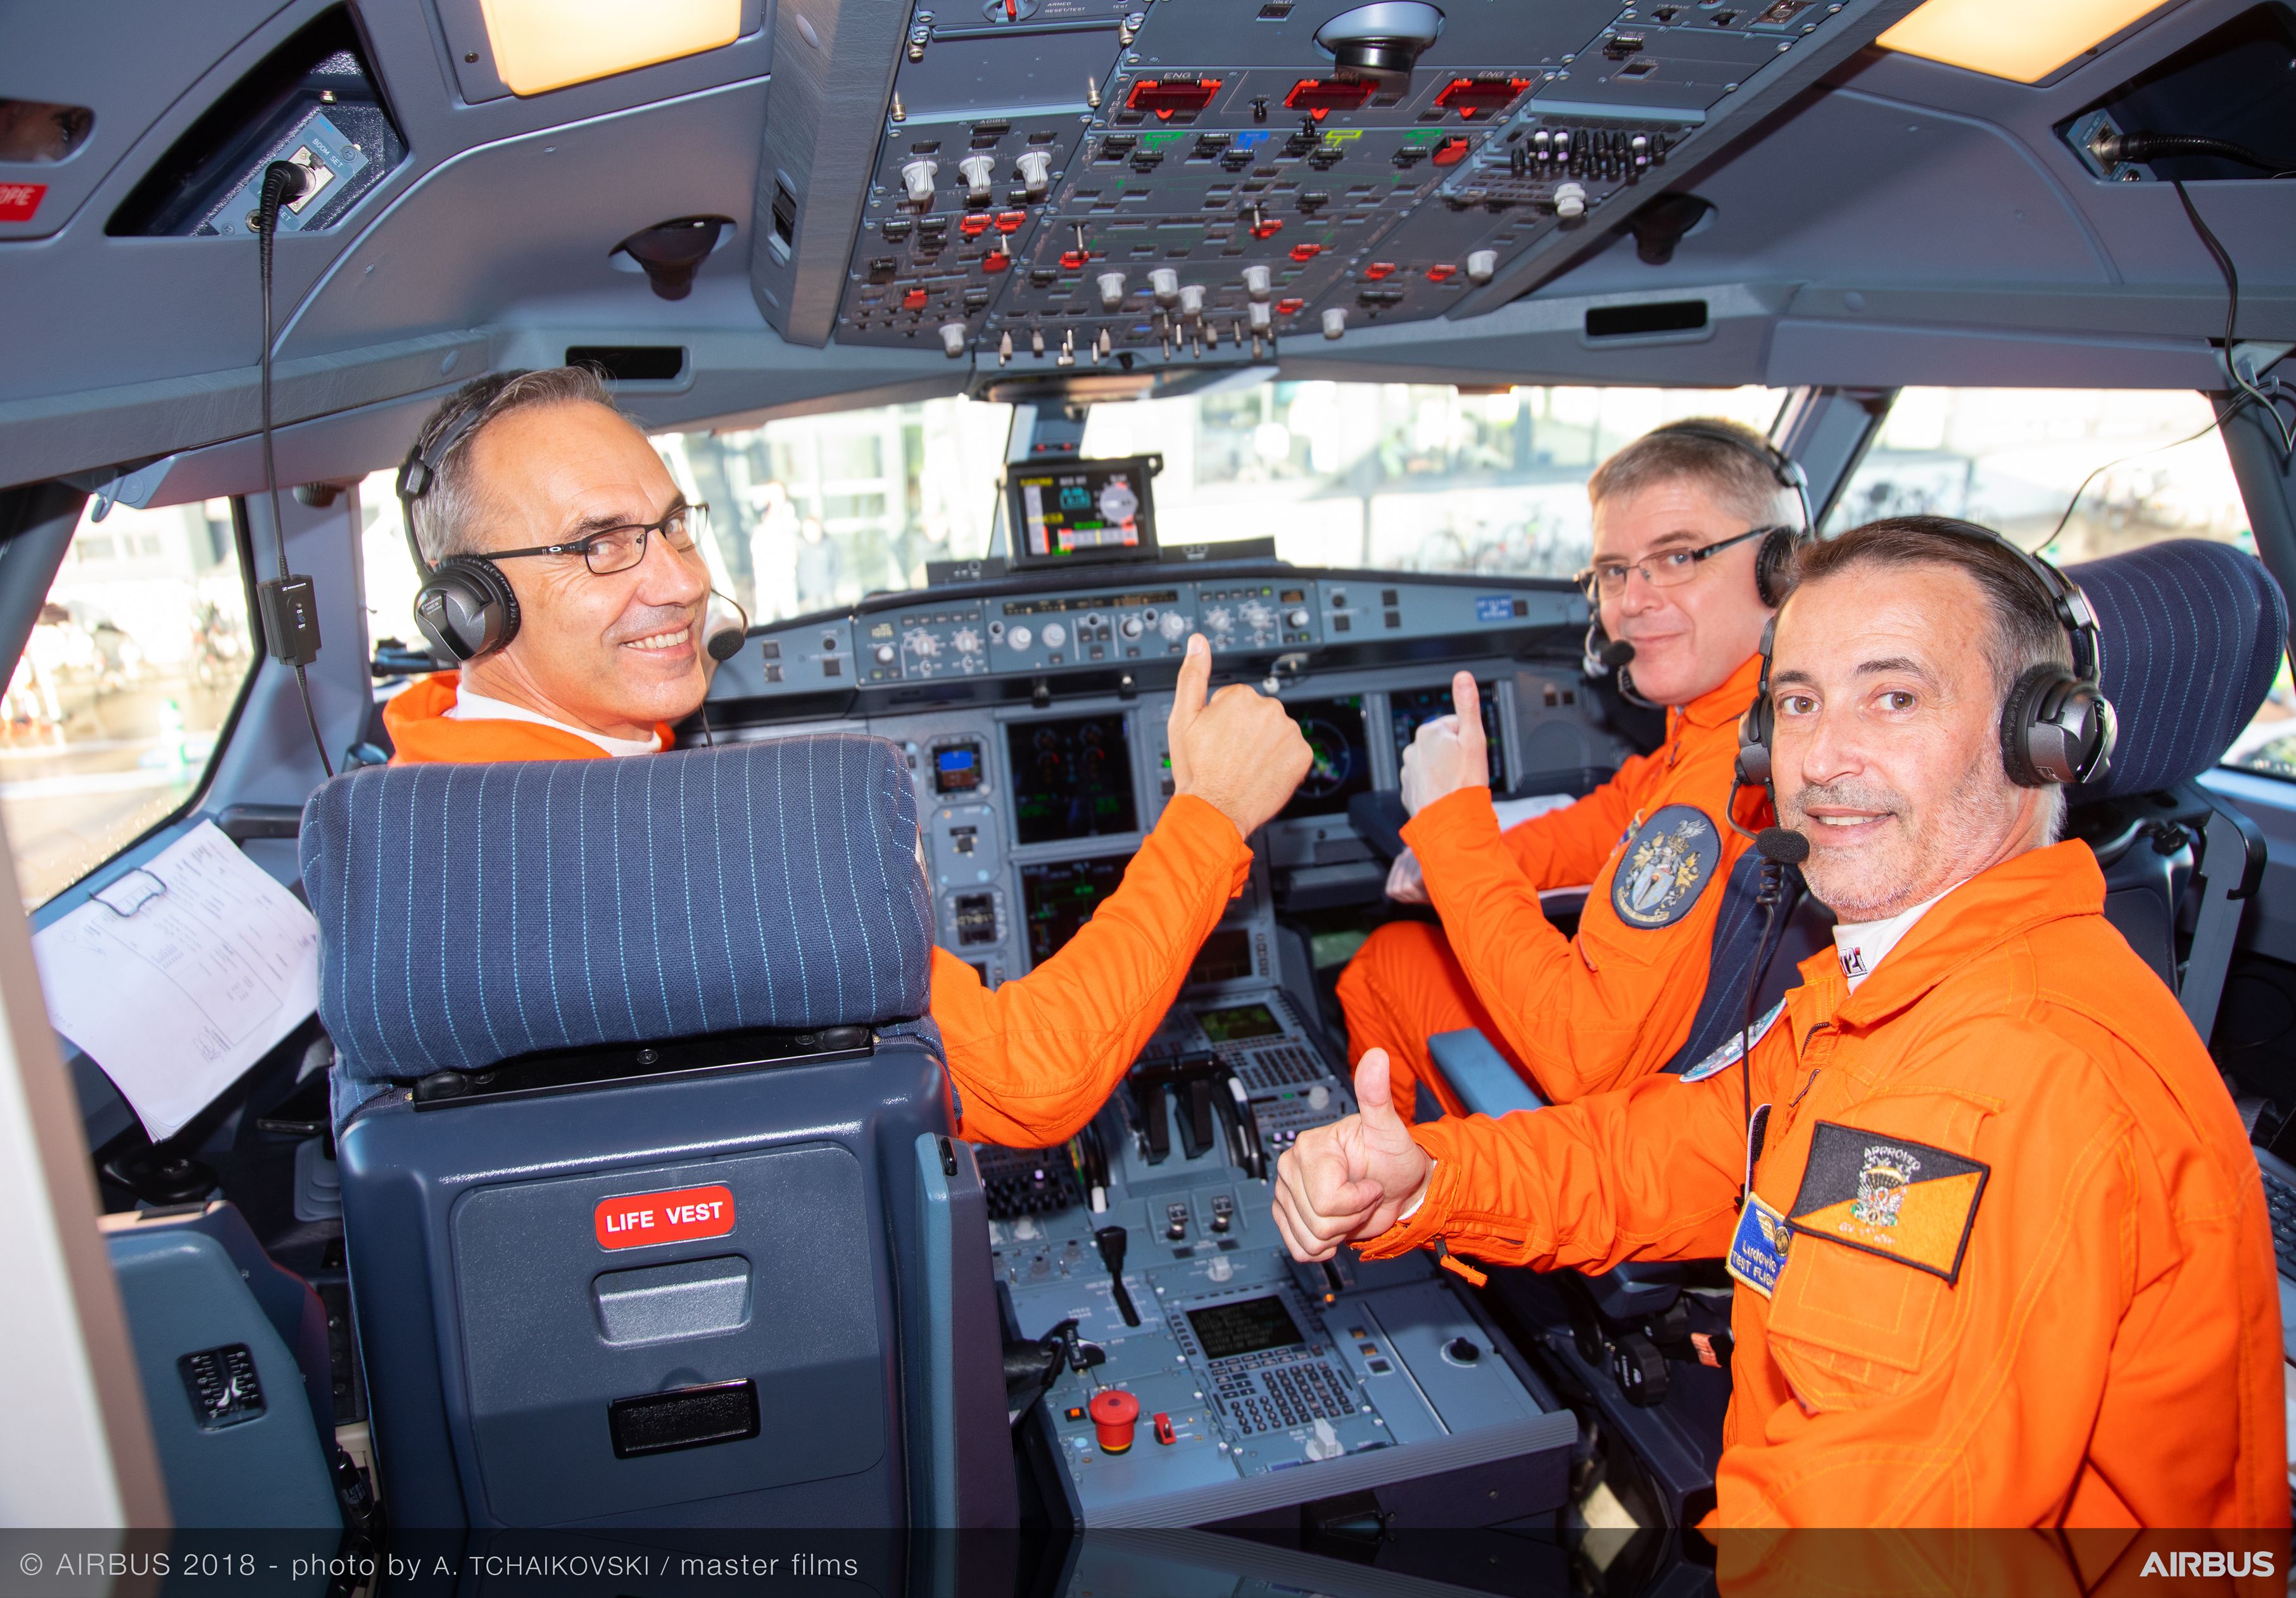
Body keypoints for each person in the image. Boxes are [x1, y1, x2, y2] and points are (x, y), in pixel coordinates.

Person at [1274, 517, 2285, 1527]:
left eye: (1894, 697)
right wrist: (1428, 1182)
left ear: (2041, 739)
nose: (1823, 757)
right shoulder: (1894, 992)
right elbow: (1667, 1153)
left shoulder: (1994, 1080)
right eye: (1797, 703)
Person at [380, 367, 1313, 1147]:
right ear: (471, 609)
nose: (683, 581)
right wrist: (1212, 814)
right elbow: (1034, 1081)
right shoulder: (692, 855)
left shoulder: (407, 809)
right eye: (600, 546)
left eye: (670, 526)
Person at [1338, 420, 1799, 1116]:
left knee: (1384, 962)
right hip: (1703, 1093)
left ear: (1778, 568)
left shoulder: (1724, 780)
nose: (1632, 602)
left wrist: (1448, 829)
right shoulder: (1722, 728)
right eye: (1613, 571)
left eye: (1676, 557)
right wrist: (1448, 857)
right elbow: (1615, 816)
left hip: (1630, 1138)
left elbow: (1582, 1056)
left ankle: (1404, 1197)